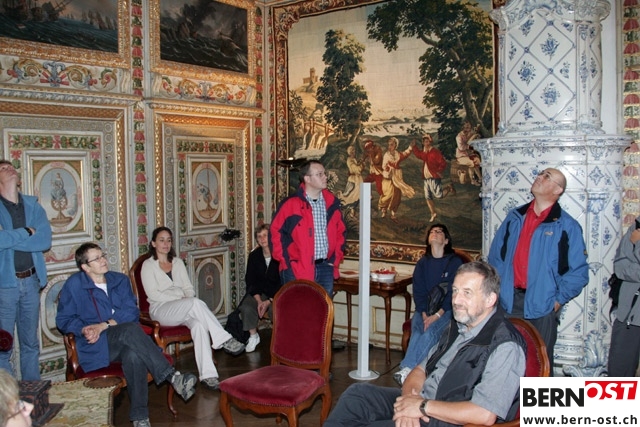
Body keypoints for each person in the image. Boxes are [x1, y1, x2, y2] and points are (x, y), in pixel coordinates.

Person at [323, 261, 526, 427]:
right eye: (455, 291)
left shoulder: (505, 346)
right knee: (358, 395)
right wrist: (409, 403)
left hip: (449, 418)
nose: (456, 300)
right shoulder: (457, 326)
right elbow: (420, 370)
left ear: (490, 299)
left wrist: (421, 407)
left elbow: (485, 414)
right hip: (425, 403)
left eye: (467, 293)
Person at [56, 242, 198, 427]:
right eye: (96, 259)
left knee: (133, 354)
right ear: (85, 267)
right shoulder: (75, 285)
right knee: (130, 330)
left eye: (103, 255)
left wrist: (104, 325)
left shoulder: (119, 280)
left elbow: (131, 311)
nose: (103, 260)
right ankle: (172, 377)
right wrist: (84, 329)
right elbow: (64, 320)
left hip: (123, 339)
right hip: (95, 345)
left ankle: (140, 418)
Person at [488, 168, 589, 370]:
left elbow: (578, 272)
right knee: (503, 363)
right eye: (541, 174)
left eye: (547, 177)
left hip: (542, 306)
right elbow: (495, 257)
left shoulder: (567, 226)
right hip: (507, 301)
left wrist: (556, 301)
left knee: (538, 366)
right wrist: (497, 290)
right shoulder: (515, 217)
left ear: (558, 190)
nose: (539, 177)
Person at [140, 227, 246, 390]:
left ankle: (208, 375)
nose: (166, 244)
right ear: (153, 243)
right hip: (160, 310)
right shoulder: (148, 266)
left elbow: (189, 289)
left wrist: (185, 297)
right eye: (161, 240)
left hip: (183, 307)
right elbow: (153, 295)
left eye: (169, 240)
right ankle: (223, 338)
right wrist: (179, 296)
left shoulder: (177, 262)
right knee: (195, 303)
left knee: (198, 325)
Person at [0, 159, 53, 380]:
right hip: (5, 285)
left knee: (30, 343)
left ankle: (33, 392)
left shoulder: (33, 206)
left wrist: (8, 238)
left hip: (31, 281)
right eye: (3, 168)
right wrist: (26, 232)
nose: (10, 169)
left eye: (11, 167)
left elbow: (44, 240)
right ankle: (7, 396)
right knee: (3, 346)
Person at [393, 224, 463, 386]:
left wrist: (437, 315)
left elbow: (453, 292)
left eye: (439, 232)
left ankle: (407, 369)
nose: (434, 233)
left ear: (446, 240)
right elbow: (419, 292)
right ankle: (408, 371)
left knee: (429, 332)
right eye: (432, 232)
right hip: (424, 309)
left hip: (447, 310)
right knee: (418, 332)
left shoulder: (455, 262)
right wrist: (424, 313)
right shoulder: (422, 263)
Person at [270, 159, 346, 296]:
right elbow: (275, 233)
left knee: (324, 308)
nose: (325, 177)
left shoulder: (331, 204)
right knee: (298, 307)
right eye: (319, 174)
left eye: (324, 173)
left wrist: (333, 262)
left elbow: (341, 233)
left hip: (325, 268)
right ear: (307, 179)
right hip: (297, 268)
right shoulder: (290, 204)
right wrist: (286, 262)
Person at [237, 224, 281, 353]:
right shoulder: (254, 256)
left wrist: (269, 301)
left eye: (265, 235)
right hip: (259, 292)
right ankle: (253, 336)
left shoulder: (280, 254)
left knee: (275, 310)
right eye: (259, 236)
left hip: (277, 293)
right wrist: (259, 301)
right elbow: (250, 280)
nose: (262, 239)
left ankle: (280, 339)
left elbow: (283, 281)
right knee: (246, 306)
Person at [607, 216, 640, 376]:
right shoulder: (636, 227)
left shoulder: (636, 237)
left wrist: (637, 244)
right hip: (628, 315)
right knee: (618, 376)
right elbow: (620, 267)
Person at [410, 135, 448, 223]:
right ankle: (433, 213)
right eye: (425, 142)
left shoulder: (435, 152)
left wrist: (439, 171)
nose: (426, 143)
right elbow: (419, 155)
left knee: (439, 195)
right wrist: (414, 147)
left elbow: (443, 162)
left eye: (428, 142)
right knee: (428, 197)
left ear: (430, 142)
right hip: (426, 178)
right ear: (423, 143)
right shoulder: (425, 152)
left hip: (434, 177)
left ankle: (449, 188)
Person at [379, 137, 415, 221]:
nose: (390, 147)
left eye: (392, 145)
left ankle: (393, 213)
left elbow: (405, 154)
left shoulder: (397, 154)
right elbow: (383, 166)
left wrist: (410, 147)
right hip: (388, 177)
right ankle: (384, 210)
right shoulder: (386, 155)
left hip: (396, 177)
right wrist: (388, 168)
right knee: (387, 194)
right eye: (389, 145)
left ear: (395, 145)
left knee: (397, 195)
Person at [455, 121, 482, 186]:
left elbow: (475, 135)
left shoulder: (470, 133)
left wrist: (477, 135)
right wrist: (469, 147)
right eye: (466, 126)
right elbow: (461, 147)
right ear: (463, 127)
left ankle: (480, 178)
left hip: (469, 154)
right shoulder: (459, 136)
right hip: (461, 156)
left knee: (476, 160)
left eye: (469, 126)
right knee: (472, 162)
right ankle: (473, 180)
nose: (468, 127)